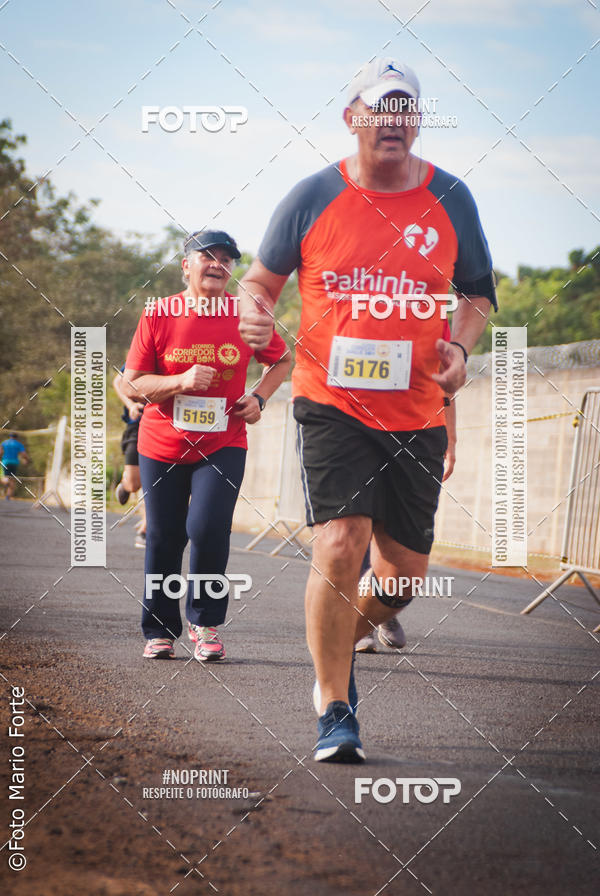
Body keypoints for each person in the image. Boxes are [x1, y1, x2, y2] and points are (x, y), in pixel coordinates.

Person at [239, 58, 496, 762]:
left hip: (416, 412)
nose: (393, 122)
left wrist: (462, 352)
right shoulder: (313, 195)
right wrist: (256, 318)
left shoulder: (452, 197)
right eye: (379, 110)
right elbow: (259, 283)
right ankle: (333, 705)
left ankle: (335, 634)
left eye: (405, 110)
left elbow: (475, 293)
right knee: (339, 542)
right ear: (352, 117)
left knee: (403, 580)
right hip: (331, 402)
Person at [122, 230, 290, 661]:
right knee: (163, 536)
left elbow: (284, 359)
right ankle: (159, 630)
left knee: (208, 529)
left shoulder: (245, 314)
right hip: (161, 444)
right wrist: (179, 380)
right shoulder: (159, 314)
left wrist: (260, 397)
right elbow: (134, 382)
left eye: (226, 259)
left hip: (224, 441)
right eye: (207, 257)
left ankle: (205, 623)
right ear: (185, 265)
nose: (217, 264)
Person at [355, 387, 457, 652]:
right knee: (357, 523)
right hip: (357, 430)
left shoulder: (433, 346)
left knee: (396, 538)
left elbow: (446, 389)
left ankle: (382, 610)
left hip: (414, 437)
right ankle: (357, 618)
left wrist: (451, 440)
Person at [113, 367, 147, 548]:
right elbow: (117, 381)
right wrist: (131, 405)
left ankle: (145, 530)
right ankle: (126, 485)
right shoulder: (143, 355)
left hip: (165, 429)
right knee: (135, 484)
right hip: (137, 427)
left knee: (153, 482)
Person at [1, 432, 29, 499]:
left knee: (5, 476)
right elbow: (23, 453)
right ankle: (8, 496)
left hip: (5, 462)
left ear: (10, 436)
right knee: (12, 479)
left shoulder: (4, 443)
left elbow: (0, 452)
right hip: (14, 463)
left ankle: (6, 482)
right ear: (16, 437)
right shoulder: (19, 444)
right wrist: (27, 459)